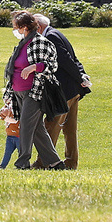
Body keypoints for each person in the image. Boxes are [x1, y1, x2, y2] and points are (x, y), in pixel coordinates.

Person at [2, 10, 65, 170]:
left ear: (24, 27)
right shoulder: (21, 44)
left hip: (35, 92)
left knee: (26, 125)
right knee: (36, 128)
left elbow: (52, 65)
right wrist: (9, 94)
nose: (15, 30)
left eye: (16, 27)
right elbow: (13, 70)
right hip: (18, 92)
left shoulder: (41, 42)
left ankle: (22, 162)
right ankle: (55, 163)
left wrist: (34, 67)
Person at [34, 12, 91, 170]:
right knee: (69, 129)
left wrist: (80, 78)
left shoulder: (50, 37)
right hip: (73, 90)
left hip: (63, 91)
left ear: (38, 27)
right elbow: (73, 59)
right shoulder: (57, 33)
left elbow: (65, 60)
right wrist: (82, 77)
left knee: (51, 125)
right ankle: (71, 162)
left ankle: (43, 162)